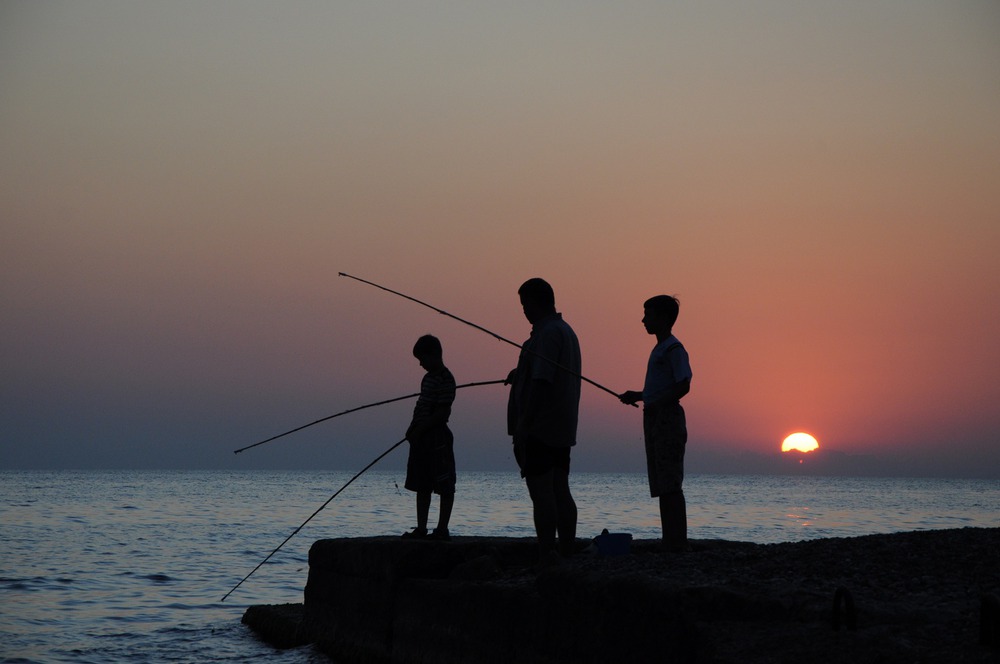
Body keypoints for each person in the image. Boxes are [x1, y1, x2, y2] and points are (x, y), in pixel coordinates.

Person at [506, 278, 581, 563]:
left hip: (541, 427)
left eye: (525, 305)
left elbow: (542, 381)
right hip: (561, 426)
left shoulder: (548, 334)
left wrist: (525, 423)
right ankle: (565, 553)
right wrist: (520, 372)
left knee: (542, 492)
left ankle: (547, 554)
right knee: (560, 488)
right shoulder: (565, 331)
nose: (523, 311)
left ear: (537, 302)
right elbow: (542, 371)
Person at [620, 295, 692, 552]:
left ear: (662, 318)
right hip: (654, 417)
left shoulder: (674, 349)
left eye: (647, 315)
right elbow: (661, 386)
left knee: (670, 482)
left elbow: (683, 385)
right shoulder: (660, 348)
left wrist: (656, 403)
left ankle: (678, 543)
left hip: (667, 420)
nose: (643, 320)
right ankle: (670, 540)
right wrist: (639, 396)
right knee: (662, 482)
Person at [402, 334, 457, 541]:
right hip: (421, 437)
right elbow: (422, 405)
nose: (421, 364)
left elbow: (441, 413)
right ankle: (422, 527)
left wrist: (420, 429)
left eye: (422, 359)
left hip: (437, 438)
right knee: (422, 482)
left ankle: (442, 528)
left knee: (444, 483)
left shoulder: (446, 379)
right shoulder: (427, 379)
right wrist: (412, 428)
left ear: (434, 355)